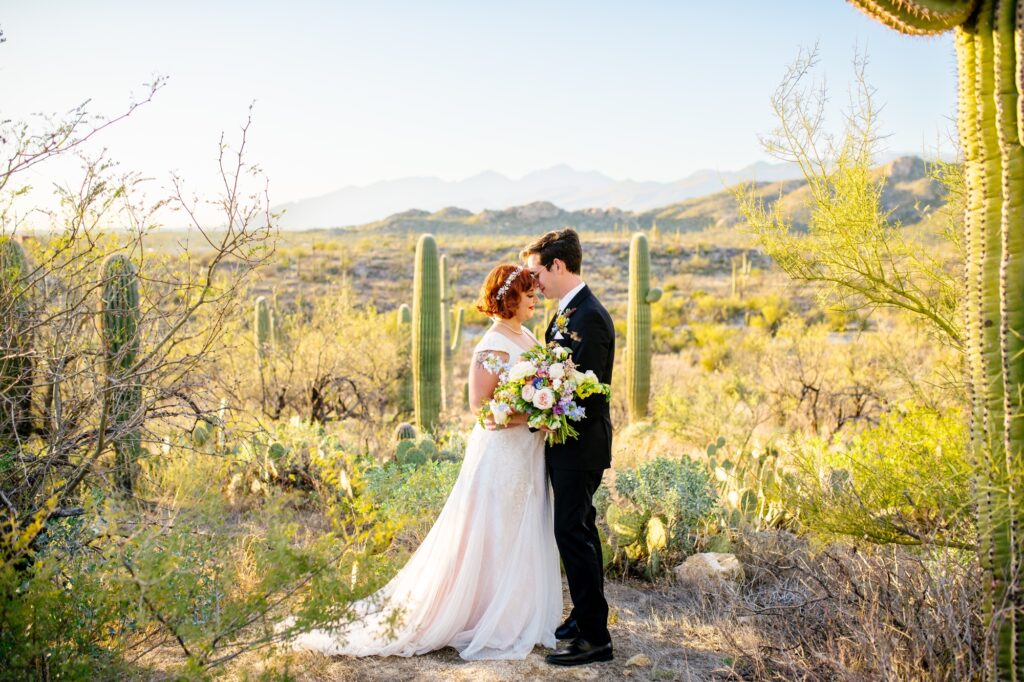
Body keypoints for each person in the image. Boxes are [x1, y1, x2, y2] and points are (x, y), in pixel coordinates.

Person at [285, 263, 562, 660]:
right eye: (529, 294)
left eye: (536, 293)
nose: (536, 300)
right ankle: (489, 616)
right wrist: (533, 416)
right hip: (501, 453)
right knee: (497, 529)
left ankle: (519, 611)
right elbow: (481, 410)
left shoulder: (527, 334)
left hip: (527, 453)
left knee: (521, 526)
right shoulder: (493, 345)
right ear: (509, 298)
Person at [522, 228, 615, 666]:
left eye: (536, 271)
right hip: (565, 443)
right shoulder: (564, 313)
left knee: (572, 533)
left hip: (581, 445)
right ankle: (584, 616)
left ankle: (596, 639)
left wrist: (549, 407)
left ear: (557, 266)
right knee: (579, 530)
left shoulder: (589, 317)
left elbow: (593, 393)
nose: (533, 281)